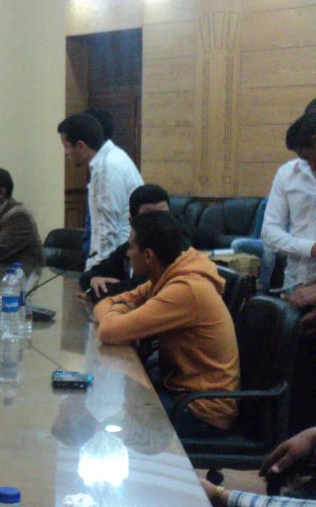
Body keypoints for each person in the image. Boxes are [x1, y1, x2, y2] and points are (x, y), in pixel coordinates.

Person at [94, 210, 239, 435]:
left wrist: (119, 308)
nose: (128, 254)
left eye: (131, 247)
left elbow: (107, 331)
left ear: (148, 256)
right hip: (179, 392)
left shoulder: (184, 290)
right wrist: (120, 307)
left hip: (202, 411)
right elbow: (105, 304)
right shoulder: (167, 275)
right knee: (119, 406)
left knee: (116, 428)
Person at [58, 112, 143, 271]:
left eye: (67, 147)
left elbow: (107, 231)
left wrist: (96, 271)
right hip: (120, 258)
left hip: (118, 264)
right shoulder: (112, 158)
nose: (66, 153)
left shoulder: (107, 168)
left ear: (80, 146)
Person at [80, 183, 173, 301]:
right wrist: (94, 280)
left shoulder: (177, 247)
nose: (158, 222)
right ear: (132, 221)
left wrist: (97, 292)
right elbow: (90, 275)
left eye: (163, 215)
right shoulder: (130, 248)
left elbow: (140, 289)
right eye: (148, 217)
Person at [261, 104, 316, 289]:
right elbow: (269, 232)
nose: (310, 166)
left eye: (310, 157)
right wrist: (310, 248)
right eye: (304, 159)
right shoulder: (287, 173)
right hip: (293, 283)